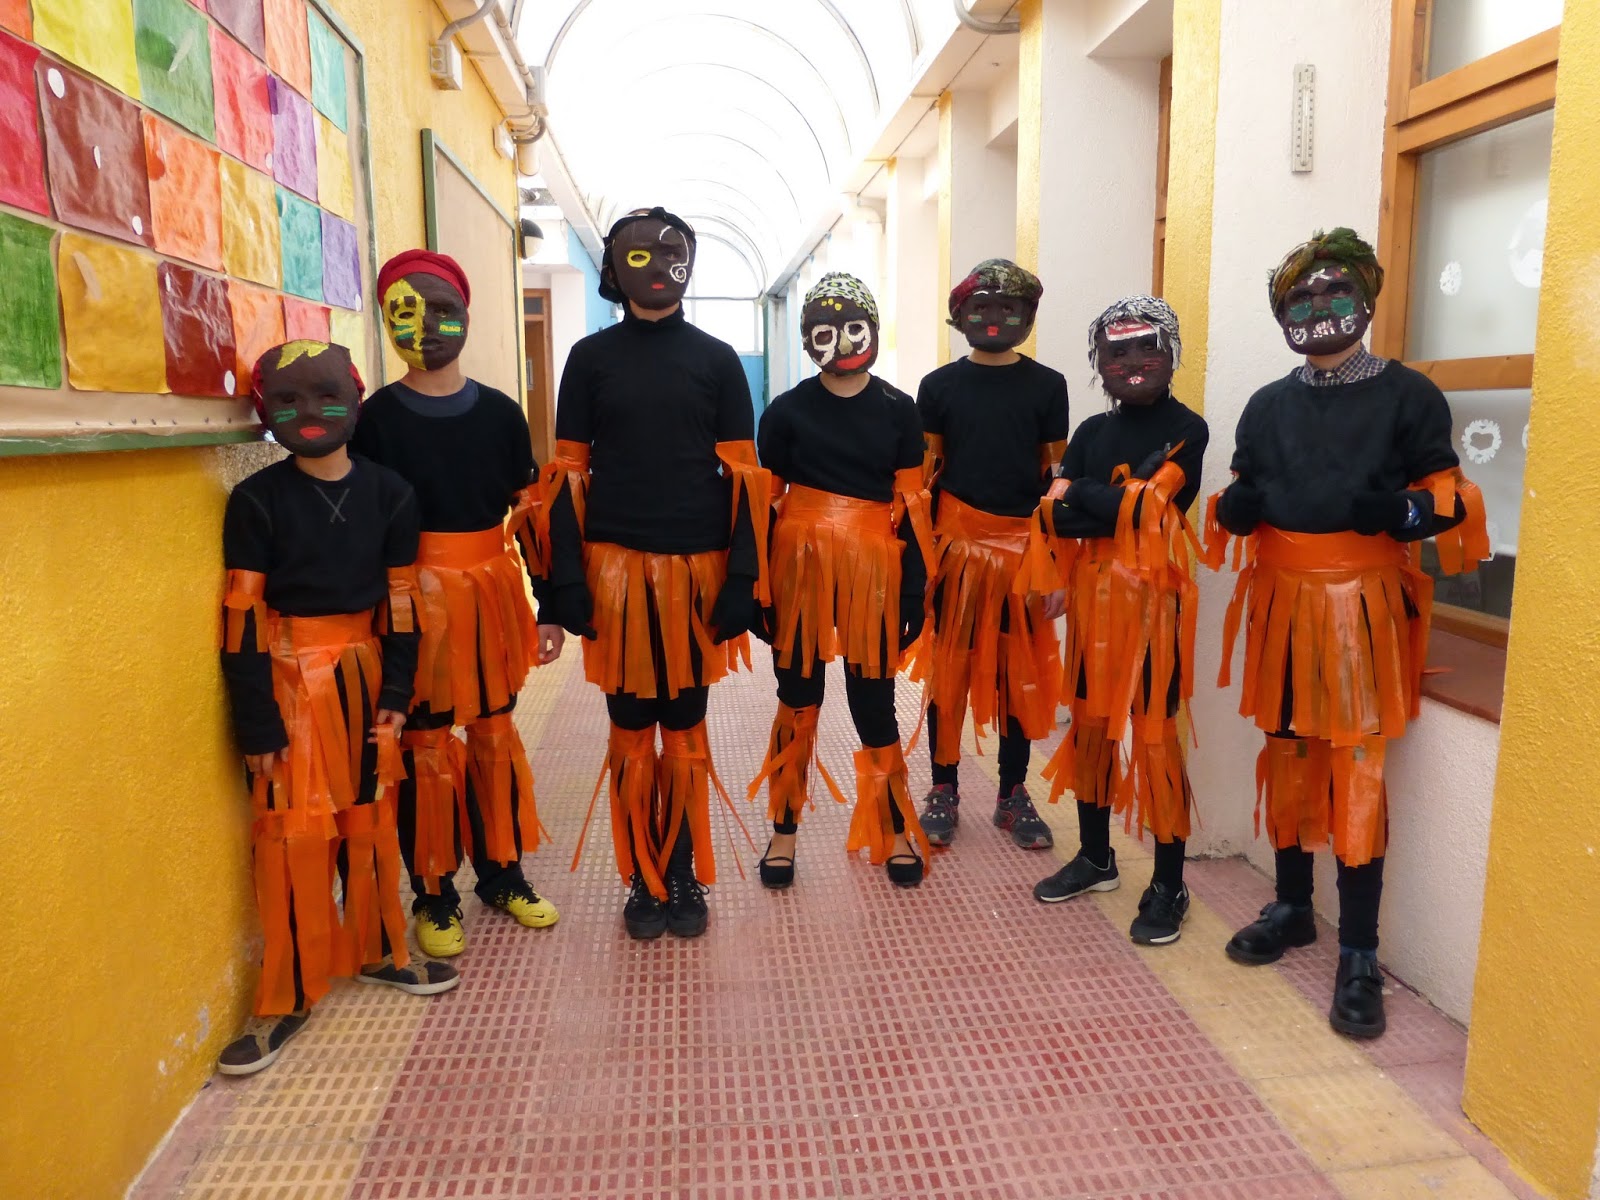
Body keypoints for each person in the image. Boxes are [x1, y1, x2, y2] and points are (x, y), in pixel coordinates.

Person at [1206, 228, 1487, 1037]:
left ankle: (1359, 950)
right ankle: (1294, 907)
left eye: (1335, 291)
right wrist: (1234, 509)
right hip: (1282, 605)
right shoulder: (1266, 404)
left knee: (1357, 766)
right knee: (1289, 752)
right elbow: (1241, 489)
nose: (1319, 307)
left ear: (1366, 297)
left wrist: (1401, 512)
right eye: (1300, 297)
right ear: (1281, 315)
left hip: (1363, 605)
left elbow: (1452, 500)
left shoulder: (1409, 396)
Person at [217, 340, 459, 1076]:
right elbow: (242, 617)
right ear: (266, 414)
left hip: (363, 675)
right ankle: (285, 995)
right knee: (292, 831)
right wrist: (257, 720)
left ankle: (380, 949)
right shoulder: (255, 500)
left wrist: (396, 695)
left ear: (355, 400)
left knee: (369, 819)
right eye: (287, 402)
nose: (310, 413)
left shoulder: (391, 493)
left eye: (327, 396)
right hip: (290, 686)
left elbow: (402, 605)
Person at [543, 207, 770, 940]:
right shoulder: (589, 358)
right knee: (630, 727)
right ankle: (641, 874)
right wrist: (564, 578)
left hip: (696, 576)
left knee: (686, 725)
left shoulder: (718, 360)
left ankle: (681, 870)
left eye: (672, 253)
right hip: (615, 574)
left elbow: (746, 480)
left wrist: (743, 578)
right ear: (615, 268)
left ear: (689, 264)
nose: (657, 267)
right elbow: (567, 474)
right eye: (638, 256)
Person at [351, 250, 564, 960]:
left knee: (495, 735)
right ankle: (434, 892)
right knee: (425, 745)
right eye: (405, 313)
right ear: (386, 323)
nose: (426, 327)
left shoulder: (502, 413)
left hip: (490, 597)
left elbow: (529, 517)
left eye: (442, 311)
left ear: (466, 315)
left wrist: (550, 605)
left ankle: (503, 874)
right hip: (414, 605)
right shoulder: (373, 420)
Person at [747, 272, 935, 888]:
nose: (844, 342)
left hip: (873, 569)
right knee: (797, 695)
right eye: (825, 332)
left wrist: (913, 591)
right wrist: (757, 585)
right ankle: (783, 829)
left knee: (873, 699)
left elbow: (912, 507)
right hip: (799, 567)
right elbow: (763, 504)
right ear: (808, 340)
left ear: (874, 330)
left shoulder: (900, 410)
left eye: (856, 327)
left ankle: (893, 826)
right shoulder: (785, 411)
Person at [1032, 297, 1208, 946]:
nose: (1132, 360)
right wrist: (1111, 500)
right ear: (1098, 361)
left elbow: (1151, 511)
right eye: (1116, 350)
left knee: (1155, 736)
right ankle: (1095, 856)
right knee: (1091, 729)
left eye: (1146, 345)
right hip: (1091, 601)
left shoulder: (1188, 428)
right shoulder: (1088, 432)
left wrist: (1084, 493)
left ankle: (1169, 883)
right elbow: (1052, 515)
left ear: (1172, 351)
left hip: (1154, 605)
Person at [912, 259, 1069, 851]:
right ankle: (943, 788)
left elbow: (1056, 480)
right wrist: (922, 563)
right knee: (949, 669)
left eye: (1009, 308)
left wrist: (1055, 562)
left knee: (1016, 675)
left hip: (1022, 553)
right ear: (960, 316)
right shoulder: (938, 387)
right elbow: (927, 479)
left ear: (1029, 316)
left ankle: (1012, 792)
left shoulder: (1048, 385)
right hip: (956, 551)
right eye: (981, 307)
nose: (995, 318)